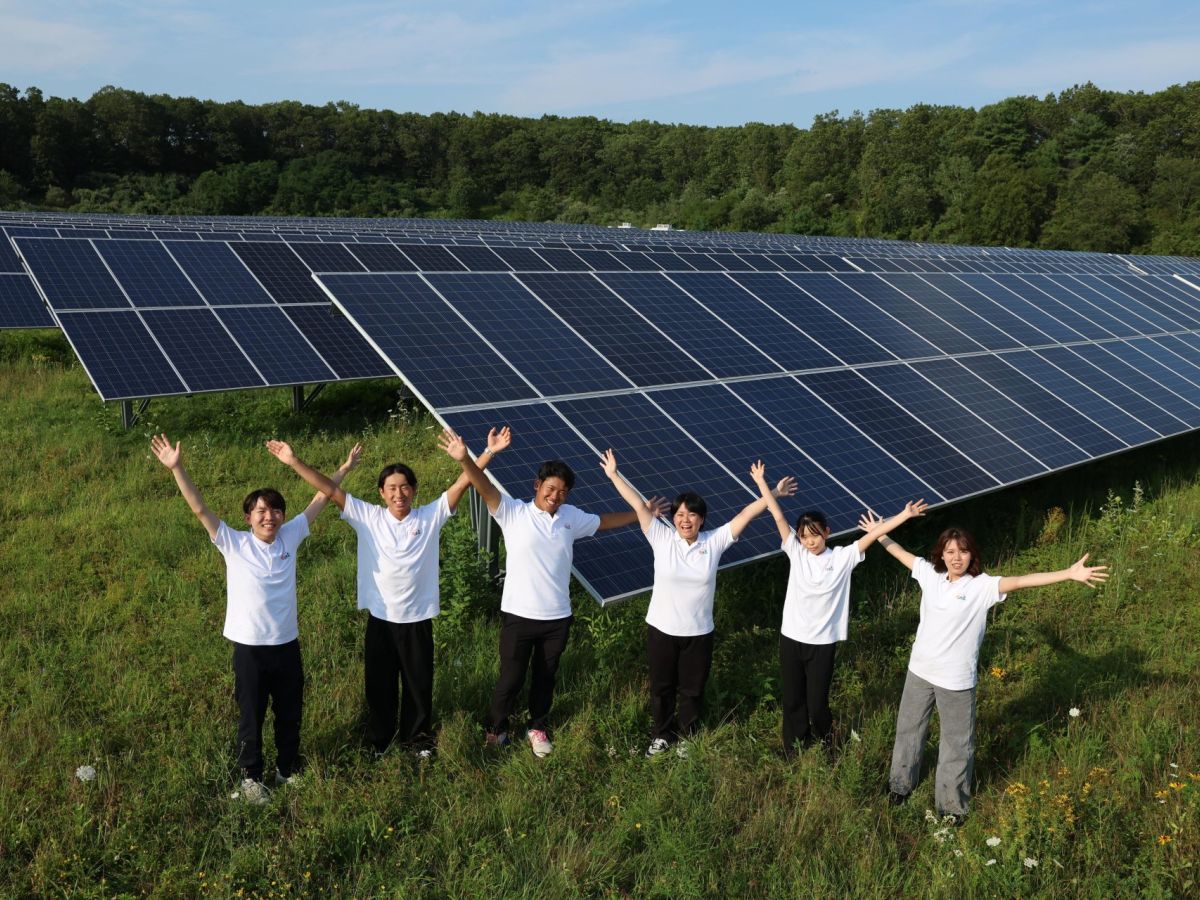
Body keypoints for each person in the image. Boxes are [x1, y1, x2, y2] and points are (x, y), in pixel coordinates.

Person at [266, 427, 511, 757]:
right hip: (381, 619)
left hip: (417, 619)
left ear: (414, 490)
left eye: (405, 487)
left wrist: (487, 452)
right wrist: (293, 461)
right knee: (379, 685)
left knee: (418, 684)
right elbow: (328, 488)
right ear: (381, 493)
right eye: (392, 488)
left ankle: (417, 740)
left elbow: (463, 483)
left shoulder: (429, 516)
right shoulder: (367, 516)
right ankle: (379, 741)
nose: (399, 494)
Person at [151, 432, 360, 804]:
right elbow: (200, 510)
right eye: (261, 511)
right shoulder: (234, 542)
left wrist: (343, 469)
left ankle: (286, 770)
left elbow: (321, 497)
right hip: (249, 649)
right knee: (252, 715)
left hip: (287, 644)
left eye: (275, 510)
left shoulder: (290, 535)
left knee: (290, 711)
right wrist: (177, 468)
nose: (269, 516)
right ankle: (251, 778)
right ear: (248, 518)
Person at [440, 429, 664, 758]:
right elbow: (483, 485)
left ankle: (537, 726)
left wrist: (643, 513)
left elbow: (605, 521)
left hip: (557, 617)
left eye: (562, 491)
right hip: (519, 615)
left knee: (545, 678)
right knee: (511, 677)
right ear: (537, 485)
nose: (555, 496)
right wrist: (467, 459)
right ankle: (496, 729)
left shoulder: (571, 518)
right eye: (550, 489)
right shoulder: (512, 512)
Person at [876, 525, 1108, 822]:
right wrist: (879, 533)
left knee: (956, 744)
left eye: (963, 551)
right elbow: (900, 552)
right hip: (919, 672)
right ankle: (900, 786)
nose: (956, 557)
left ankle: (950, 807)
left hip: (955, 680)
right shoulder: (930, 576)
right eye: (950, 552)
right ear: (941, 555)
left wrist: (1068, 573)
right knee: (909, 730)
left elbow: (1022, 581)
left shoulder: (981, 586)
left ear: (971, 555)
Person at [602, 450, 797, 757]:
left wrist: (773, 492)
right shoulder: (661, 538)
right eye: (680, 514)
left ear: (701, 519)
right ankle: (661, 735)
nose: (685, 520)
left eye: (692, 515)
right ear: (672, 518)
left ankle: (687, 737)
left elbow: (745, 514)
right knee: (662, 687)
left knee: (692, 689)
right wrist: (614, 474)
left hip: (699, 632)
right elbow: (638, 505)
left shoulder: (713, 542)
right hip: (662, 630)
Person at [754, 485, 929, 758]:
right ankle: (794, 748)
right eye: (804, 537)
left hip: (822, 642)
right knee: (792, 698)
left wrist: (904, 515)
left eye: (815, 535)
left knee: (817, 702)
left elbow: (874, 534)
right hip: (791, 638)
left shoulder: (842, 557)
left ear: (827, 532)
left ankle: (829, 745)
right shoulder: (796, 553)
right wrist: (762, 483)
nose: (810, 542)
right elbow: (777, 515)